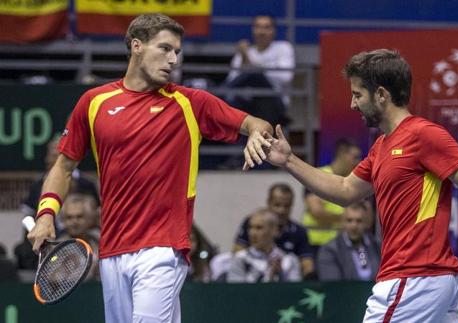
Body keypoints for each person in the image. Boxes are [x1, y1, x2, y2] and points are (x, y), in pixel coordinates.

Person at [262, 49, 458, 322]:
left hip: (415, 276)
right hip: (432, 279)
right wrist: (289, 161)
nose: (352, 104)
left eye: (357, 94)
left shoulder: (424, 135)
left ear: (381, 94)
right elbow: (344, 190)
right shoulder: (381, 147)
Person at [27, 13, 273, 323]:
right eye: (165, 49)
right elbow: (63, 166)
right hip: (112, 250)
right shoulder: (94, 102)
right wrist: (46, 215)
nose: (173, 60)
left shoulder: (190, 103)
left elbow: (256, 123)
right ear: (137, 46)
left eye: (177, 53)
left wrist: (253, 134)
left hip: (163, 248)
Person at [224, 15, 294, 126]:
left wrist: (251, 63)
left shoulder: (283, 48)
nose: (261, 32)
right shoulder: (244, 52)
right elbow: (232, 81)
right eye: (258, 27)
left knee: (256, 75)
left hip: (273, 102)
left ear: (274, 31)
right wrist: (244, 60)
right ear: (253, 30)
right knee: (230, 94)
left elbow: (285, 77)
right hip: (245, 102)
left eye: (266, 27)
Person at [233, 183, 315, 278]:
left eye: (286, 206)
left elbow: (307, 266)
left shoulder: (289, 258)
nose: (281, 210)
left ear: (275, 232)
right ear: (269, 203)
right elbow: (238, 253)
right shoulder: (252, 222)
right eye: (277, 205)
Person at [302, 138, 363, 255]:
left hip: (346, 244)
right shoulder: (317, 175)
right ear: (341, 153)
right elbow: (316, 210)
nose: (358, 162)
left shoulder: (356, 181)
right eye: (355, 157)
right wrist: (345, 218)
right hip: (317, 243)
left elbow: (366, 214)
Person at [228, 208, 301, 282]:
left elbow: (294, 291)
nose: (252, 233)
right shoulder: (240, 259)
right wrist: (268, 275)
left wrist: (280, 274)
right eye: (250, 227)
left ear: (275, 231)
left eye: (259, 228)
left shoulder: (289, 260)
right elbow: (236, 292)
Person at [317, 202, 380, 281]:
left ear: (366, 223)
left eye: (359, 221)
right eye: (349, 220)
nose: (354, 226)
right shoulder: (329, 250)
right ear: (342, 222)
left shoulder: (378, 247)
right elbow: (332, 285)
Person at [59, 194, 100, 280]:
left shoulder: (98, 239)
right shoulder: (56, 247)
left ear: (89, 218)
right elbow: (51, 279)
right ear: (63, 220)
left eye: (79, 216)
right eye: (69, 217)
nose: (74, 221)